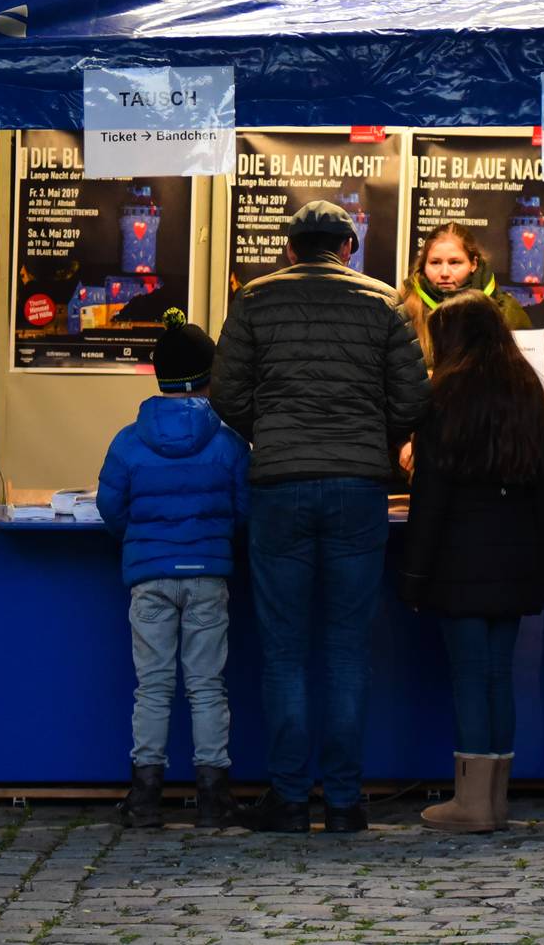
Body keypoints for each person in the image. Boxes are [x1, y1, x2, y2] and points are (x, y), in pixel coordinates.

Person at [211, 200, 431, 833]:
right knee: (346, 649)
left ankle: (287, 798)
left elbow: (226, 394)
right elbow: (413, 398)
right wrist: (372, 440)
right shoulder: (384, 302)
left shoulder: (254, 299)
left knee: (283, 651)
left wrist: (273, 433)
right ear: (348, 248)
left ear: (290, 248)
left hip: (279, 486)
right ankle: (342, 802)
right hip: (358, 489)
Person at [396, 292, 544, 833]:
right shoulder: (529, 394)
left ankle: (471, 803)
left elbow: (431, 498)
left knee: (469, 676)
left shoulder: (445, 397)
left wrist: (413, 576)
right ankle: (496, 799)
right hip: (515, 559)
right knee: (497, 675)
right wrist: (542, 566)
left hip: (458, 557)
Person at [95, 309, 251, 831]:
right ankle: (213, 797)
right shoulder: (230, 443)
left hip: (150, 577)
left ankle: (144, 797)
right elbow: (245, 510)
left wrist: (142, 542)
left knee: (154, 687)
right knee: (206, 686)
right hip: (207, 574)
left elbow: (111, 508)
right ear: (210, 377)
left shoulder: (128, 441)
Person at [400, 222, 531, 363]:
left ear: (473, 264)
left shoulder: (506, 311)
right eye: (435, 262)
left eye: (455, 262)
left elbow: (525, 371)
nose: (444, 273)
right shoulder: (405, 308)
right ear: (424, 265)